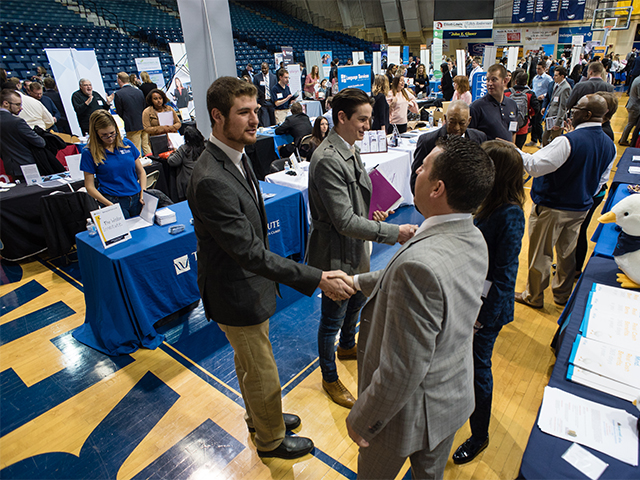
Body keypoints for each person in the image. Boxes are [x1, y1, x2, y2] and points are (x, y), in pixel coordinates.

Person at [186, 76, 354, 460]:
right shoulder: (211, 178)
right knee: (261, 370)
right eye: (243, 112)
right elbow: (249, 252)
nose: (255, 120)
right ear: (217, 116)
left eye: (256, 110)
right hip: (234, 291)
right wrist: (317, 277)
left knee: (249, 365)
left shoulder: (236, 155)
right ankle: (271, 439)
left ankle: (260, 418)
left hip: (245, 284)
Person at [345, 135, 495, 479]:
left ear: (438, 188)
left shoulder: (419, 266)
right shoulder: (472, 236)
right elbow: (420, 286)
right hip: (451, 398)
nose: (416, 171)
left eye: (424, 166)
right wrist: (355, 282)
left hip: (404, 416)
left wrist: (365, 420)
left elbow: (401, 369)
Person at [307, 87, 418, 409]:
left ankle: (346, 346)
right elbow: (343, 221)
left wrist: (372, 214)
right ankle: (329, 377)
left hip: (356, 247)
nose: (368, 126)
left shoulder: (350, 148)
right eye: (362, 119)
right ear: (341, 117)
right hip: (335, 252)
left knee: (356, 301)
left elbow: (353, 205)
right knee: (332, 318)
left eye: (369, 119)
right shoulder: (328, 159)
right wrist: (394, 232)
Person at [452, 140, 525, 465]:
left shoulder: (510, 214)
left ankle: (479, 435)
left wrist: (482, 317)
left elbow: (506, 274)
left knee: (479, 369)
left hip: (485, 310)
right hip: (468, 299)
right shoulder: (483, 202)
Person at [515, 94, 616, 309]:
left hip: (552, 206)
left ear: (587, 114)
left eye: (576, 108)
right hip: (580, 207)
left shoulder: (567, 141)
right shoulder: (610, 144)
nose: (572, 112)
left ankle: (534, 296)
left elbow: (535, 167)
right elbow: (601, 180)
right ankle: (562, 295)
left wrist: (514, 151)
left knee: (541, 253)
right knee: (567, 253)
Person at [80, 110, 147, 219]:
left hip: (137, 198)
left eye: (112, 133)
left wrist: (143, 192)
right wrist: (110, 205)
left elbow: (141, 172)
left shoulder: (127, 144)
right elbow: (89, 186)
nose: (110, 138)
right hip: (113, 200)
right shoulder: (89, 153)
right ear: (96, 134)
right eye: (104, 135)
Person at [410, 100, 487, 192]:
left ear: (469, 120)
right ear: (445, 118)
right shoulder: (427, 142)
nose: (456, 128)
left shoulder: (479, 138)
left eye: (462, 123)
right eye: (452, 122)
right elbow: (416, 181)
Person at [0, 88, 46, 179]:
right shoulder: (17, 122)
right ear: (6, 103)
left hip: (11, 166)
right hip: (27, 165)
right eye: (17, 104)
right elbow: (40, 142)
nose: (21, 108)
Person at [469, 63, 519, 142]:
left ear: (505, 81)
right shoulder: (476, 107)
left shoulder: (512, 104)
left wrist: (513, 147)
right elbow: (470, 137)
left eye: (494, 80)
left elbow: (513, 131)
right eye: (487, 80)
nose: (490, 83)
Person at [113, 71, 148, 155]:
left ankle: (140, 163)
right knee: (146, 146)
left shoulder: (118, 94)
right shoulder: (139, 91)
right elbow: (144, 106)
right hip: (143, 122)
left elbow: (120, 112)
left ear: (119, 80)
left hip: (131, 125)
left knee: (136, 149)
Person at [167, 125, 204, 201]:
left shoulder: (184, 149)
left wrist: (173, 153)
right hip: (202, 178)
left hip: (187, 183)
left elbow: (172, 161)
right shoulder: (204, 146)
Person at [505, 71, 540, 150]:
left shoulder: (507, 93)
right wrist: (529, 114)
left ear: (515, 81)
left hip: (507, 126)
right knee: (518, 149)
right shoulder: (530, 94)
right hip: (522, 126)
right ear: (526, 82)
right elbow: (536, 109)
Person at [540, 66, 571, 147]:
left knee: (554, 141)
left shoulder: (566, 88)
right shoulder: (555, 85)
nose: (554, 77)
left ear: (562, 76)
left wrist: (558, 123)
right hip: (550, 117)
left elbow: (562, 107)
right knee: (545, 138)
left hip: (556, 118)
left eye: (556, 75)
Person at [525, 62, 553, 148]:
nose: (537, 70)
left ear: (544, 69)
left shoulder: (548, 79)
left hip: (542, 102)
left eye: (539, 68)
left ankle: (541, 141)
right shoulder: (535, 78)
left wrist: (544, 95)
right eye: (537, 68)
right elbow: (534, 89)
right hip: (534, 101)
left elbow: (551, 91)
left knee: (538, 122)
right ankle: (533, 140)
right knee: (533, 121)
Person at [253, 62, 277, 127]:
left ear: (268, 68)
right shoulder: (257, 77)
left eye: (265, 68)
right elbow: (255, 91)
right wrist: (257, 102)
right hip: (263, 102)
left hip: (272, 102)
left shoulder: (274, 77)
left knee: (273, 122)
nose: (264, 70)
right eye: (262, 68)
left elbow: (275, 90)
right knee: (265, 122)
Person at [620, 75, 640, 146]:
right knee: (631, 124)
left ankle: (624, 139)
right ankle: (623, 140)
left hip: (633, 105)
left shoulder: (637, 78)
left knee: (632, 124)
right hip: (635, 106)